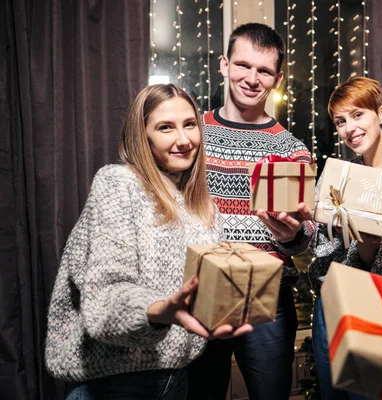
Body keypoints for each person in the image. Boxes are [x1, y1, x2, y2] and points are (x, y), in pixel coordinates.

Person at [45, 84, 252, 399]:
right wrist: (160, 311)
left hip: (178, 377)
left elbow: (206, 289)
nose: (183, 139)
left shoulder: (204, 207)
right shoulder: (118, 185)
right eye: (165, 127)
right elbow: (105, 296)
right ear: (143, 136)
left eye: (190, 125)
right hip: (114, 383)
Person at [258, 76, 382, 400]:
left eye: (358, 114)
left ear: (381, 113)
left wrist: (365, 247)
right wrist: (295, 227)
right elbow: (319, 246)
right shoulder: (340, 174)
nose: (349, 128)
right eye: (340, 121)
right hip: (331, 307)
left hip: (378, 311)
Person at [185, 23, 313, 400]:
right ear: (224, 65)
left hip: (268, 302)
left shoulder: (292, 149)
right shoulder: (193, 136)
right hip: (202, 293)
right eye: (243, 65)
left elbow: (308, 239)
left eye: (264, 70)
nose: (252, 78)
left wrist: (292, 236)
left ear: (277, 78)